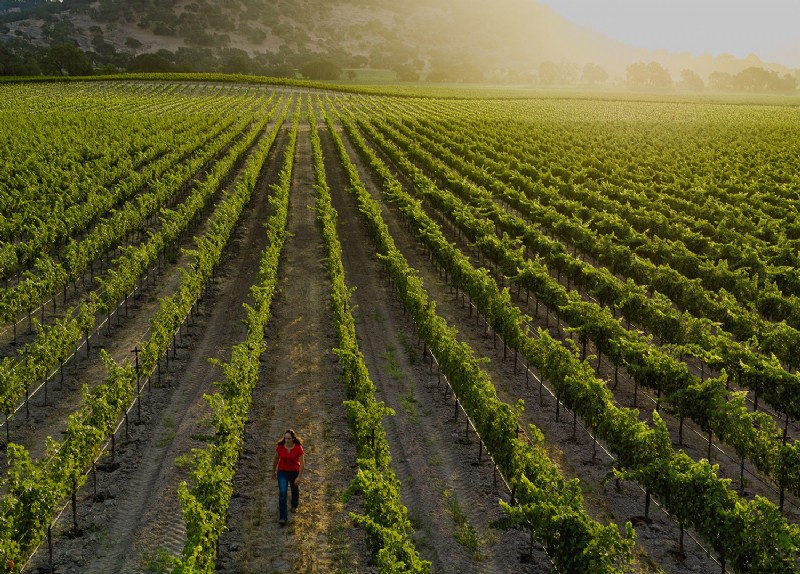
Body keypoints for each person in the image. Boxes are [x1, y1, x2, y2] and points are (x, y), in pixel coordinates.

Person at [272, 429, 305, 525]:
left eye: (289, 439)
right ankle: (283, 517)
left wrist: (299, 477)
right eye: (285, 438)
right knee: (282, 492)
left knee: (294, 488)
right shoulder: (280, 447)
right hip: (282, 472)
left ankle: (294, 505)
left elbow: (302, 463)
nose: (286, 440)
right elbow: (275, 460)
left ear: (293, 439)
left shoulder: (298, 448)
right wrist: (273, 472)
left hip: (294, 471)